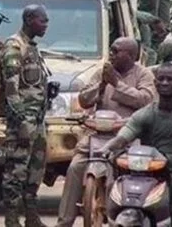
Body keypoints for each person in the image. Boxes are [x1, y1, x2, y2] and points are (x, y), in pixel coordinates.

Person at [99, 63, 172, 227]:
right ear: (155, 83)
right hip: (150, 168)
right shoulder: (146, 113)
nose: (165, 83)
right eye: (161, 79)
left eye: (170, 79)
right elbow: (123, 137)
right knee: (120, 187)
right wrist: (106, 149)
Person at [56, 37, 155, 227]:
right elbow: (84, 100)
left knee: (130, 174)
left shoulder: (143, 74)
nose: (111, 54)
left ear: (131, 55)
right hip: (98, 134)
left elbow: (145, 100)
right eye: (111, 50)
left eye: (116, 51)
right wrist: (101, 85)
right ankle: (64, 222)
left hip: (127, 136)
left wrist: (117, 84)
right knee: (75, 167)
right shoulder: (103, 72)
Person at [0, 5, 51, 227]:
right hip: (23, 121)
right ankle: (12, 219)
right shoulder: (14, 47)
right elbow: (11, 91)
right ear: (29, 20)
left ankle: (31, 215)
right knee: (16, 169)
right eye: (43, 20)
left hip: (37, 119)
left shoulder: (32, 47)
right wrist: (21, 122)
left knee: (36, 168)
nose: (46, 25)